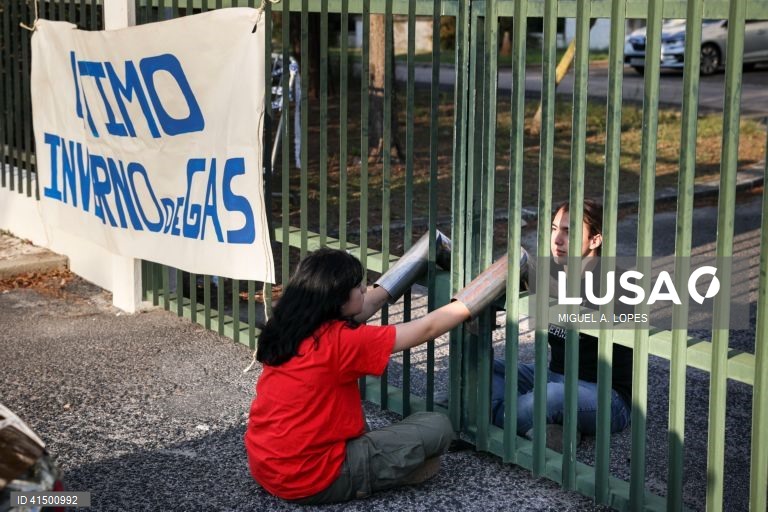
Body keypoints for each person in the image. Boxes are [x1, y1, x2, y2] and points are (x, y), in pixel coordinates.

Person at [245, 241, 494, 504]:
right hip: (313, 478)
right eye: (356, 286)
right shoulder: (340, 341)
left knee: (381, 430)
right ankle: (374, 474)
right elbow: (427, 328)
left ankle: (379, 464)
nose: (364, 289)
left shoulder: (288, 325)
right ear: (335, 298)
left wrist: (424, 250)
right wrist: (488, 285)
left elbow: (368, 302)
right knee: (438, 427)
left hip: (267, 464)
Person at [491, 199, 632, 447]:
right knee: (488, 367)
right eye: (555, 229)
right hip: (555, 376)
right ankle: (545, 427)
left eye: (569, 231)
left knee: (550, 396)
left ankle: (481, 414)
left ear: (595, 240)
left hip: (606, 397)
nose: (557, 239)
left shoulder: (617, 283)